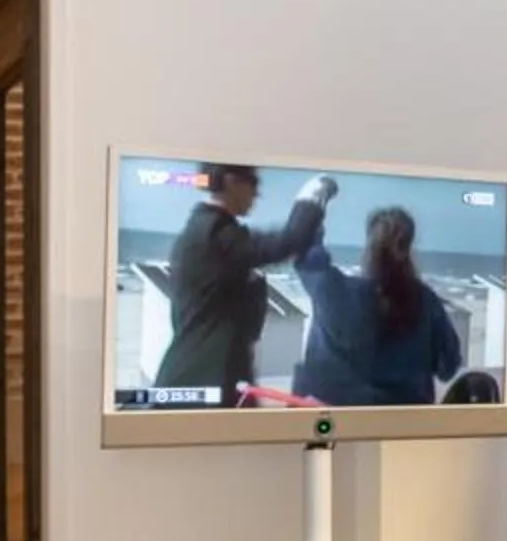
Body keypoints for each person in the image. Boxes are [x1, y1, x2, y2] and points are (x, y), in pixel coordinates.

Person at [153, 166, 334, 405]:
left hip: (198, 375)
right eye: (254, 184)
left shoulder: (201, 230)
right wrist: (312, 197)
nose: (257, 195)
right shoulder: (217, 235)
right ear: (231, 182)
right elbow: (289, 241)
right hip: (208, 379)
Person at [293, 206, 464, 407]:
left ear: (369, 243)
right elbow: (448, 367)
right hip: (402, 422)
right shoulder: (426, 302)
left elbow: (309, 259)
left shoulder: (336, 291)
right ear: (409, 247)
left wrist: (313, 212)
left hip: (333, 421)